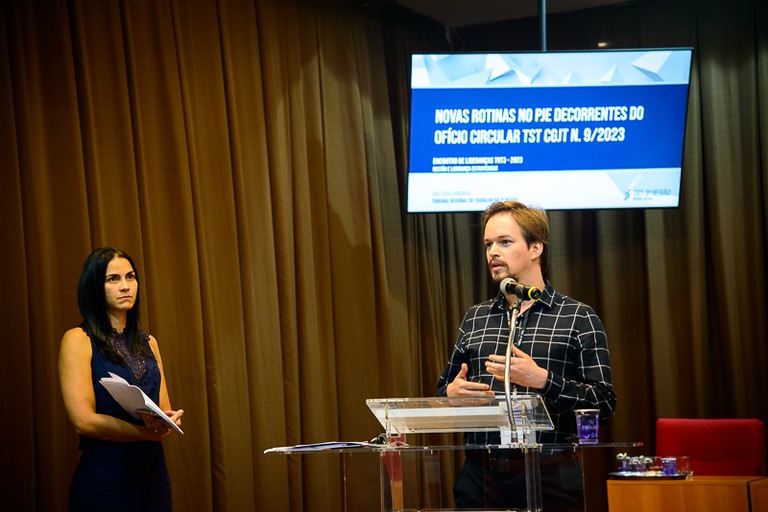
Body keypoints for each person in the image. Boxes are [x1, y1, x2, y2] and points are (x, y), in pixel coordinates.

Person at [437, 201, 617, 511]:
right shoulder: (475, 318)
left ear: (536, 248)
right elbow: (442, 391)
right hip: (480, 479)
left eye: (505, 242)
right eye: (488, 244)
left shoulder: (578, 317)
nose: (493, 252)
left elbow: (604, 403)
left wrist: (543, 380)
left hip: (550, 477)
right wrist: (451, 394)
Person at [59, 247, 184, 511]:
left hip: (153, 476)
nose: (125, 286)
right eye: (113, 279)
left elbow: (163, 408)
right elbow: (84, 421)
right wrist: (146, 434)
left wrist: (168, 421)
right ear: (95, 287)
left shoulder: (149, 342)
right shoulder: (78, 339)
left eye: (130, 277)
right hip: (106, 477)